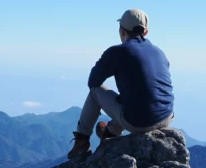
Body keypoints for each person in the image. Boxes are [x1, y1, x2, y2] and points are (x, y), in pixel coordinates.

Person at [67, 8, 175, 159]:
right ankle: (110, 132)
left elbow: (93, 82)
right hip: (166, 117)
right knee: (136, 99)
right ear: (146, 32)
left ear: (122, 31)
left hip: (138, 123)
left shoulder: (117, 52)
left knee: (95, 92)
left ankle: (81, 142)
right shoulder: (159, 52)